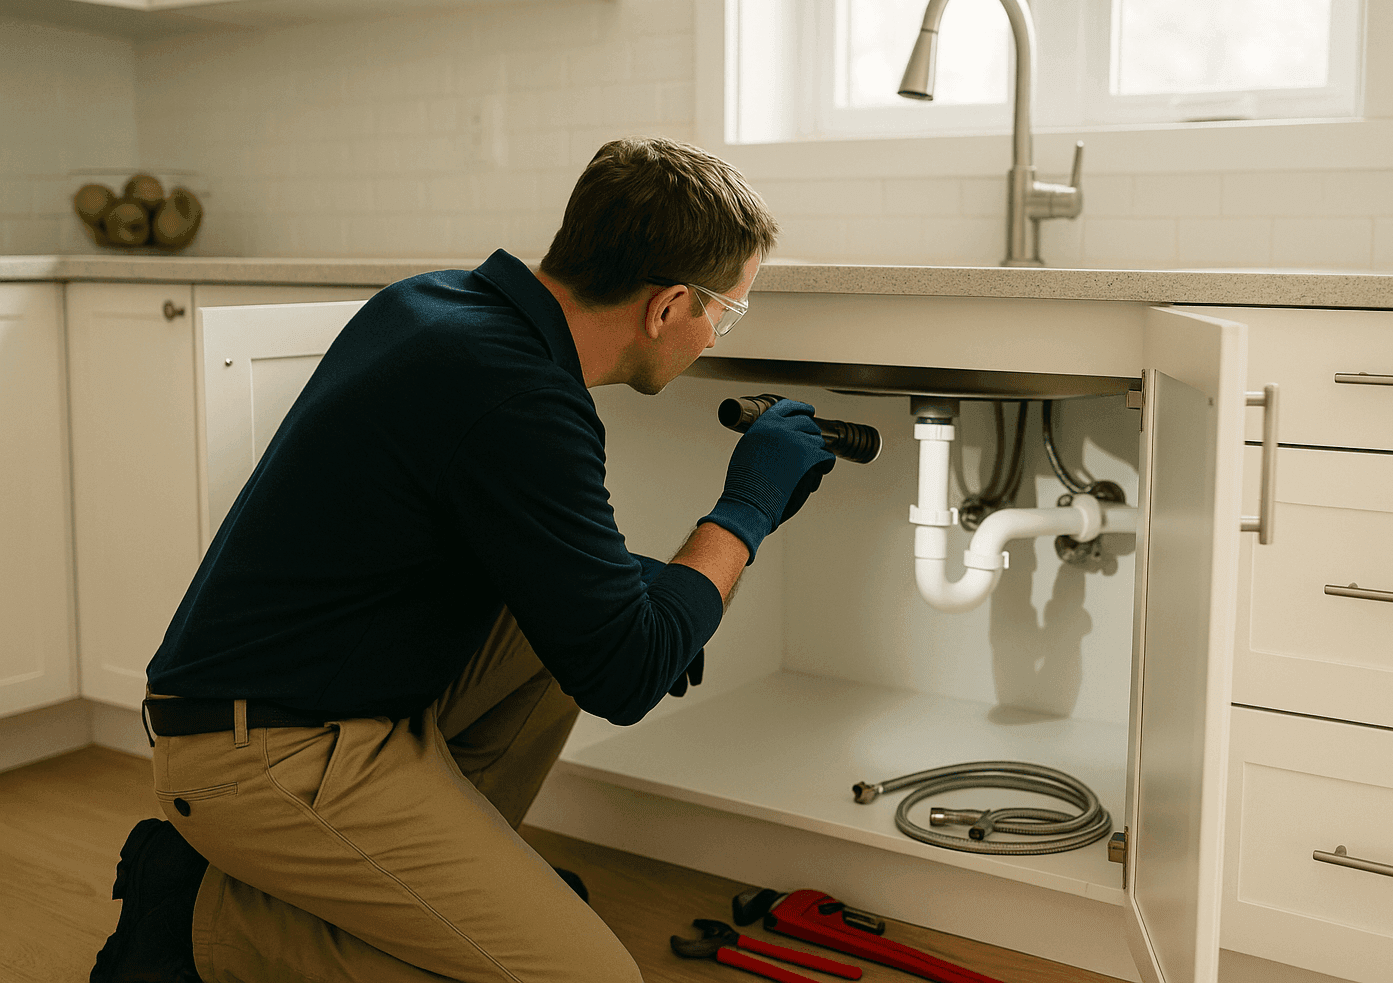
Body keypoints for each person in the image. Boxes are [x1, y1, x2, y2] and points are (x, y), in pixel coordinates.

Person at [91, 136, 836, 983]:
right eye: (724, 311)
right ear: (667, 306)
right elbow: (626, 678)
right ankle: (195, 923)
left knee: (584, 618)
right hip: (262, 756)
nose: (715, 337)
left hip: (306, 701)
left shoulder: (439, 306)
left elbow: (509, 551)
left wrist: (644, 592)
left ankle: (439, 900)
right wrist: (749, 506)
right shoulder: (522, 401)